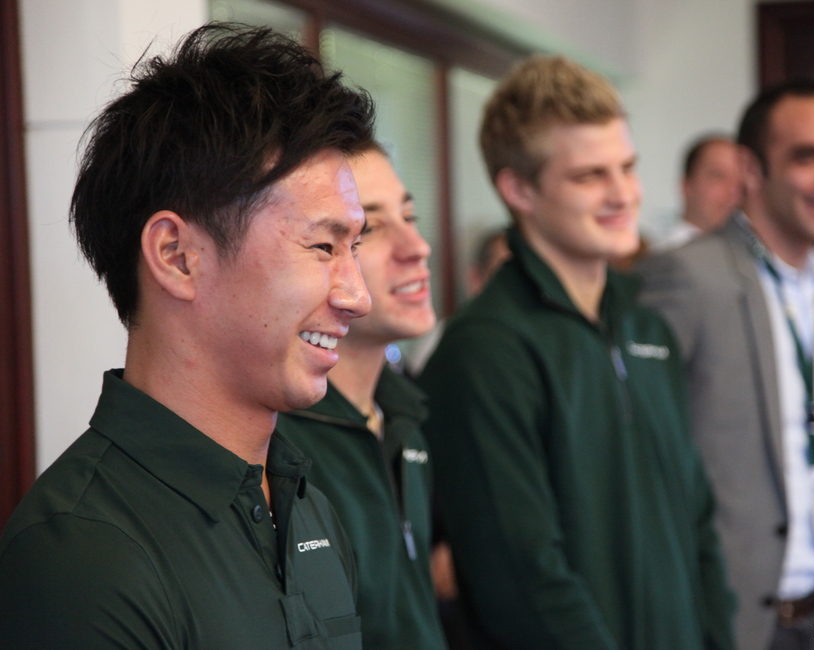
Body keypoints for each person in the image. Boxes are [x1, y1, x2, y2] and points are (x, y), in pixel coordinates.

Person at [0, 24, 375, 649]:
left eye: (355, 247)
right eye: (321, 246)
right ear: (176, 256)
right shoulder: (85, 552)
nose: (356, 296)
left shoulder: (305, 503)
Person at [419, 54, 734, 650]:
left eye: (627, 167)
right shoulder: (485, 352)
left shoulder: (648, 329)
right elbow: (523, 579)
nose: (623, 194)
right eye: (590, 175)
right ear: (519, 188)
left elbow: (698, 529)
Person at [638, 78, 814, 650]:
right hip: (732, 624)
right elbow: (642, 462)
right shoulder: (688, 276)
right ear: (752, 168)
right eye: (808, 157)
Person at [276, 143, 448, 650]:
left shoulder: (404, 413)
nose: (416, 246)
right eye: (368, 229)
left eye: (410, 216)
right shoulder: (278, 439)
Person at [657, 133, 742, 251]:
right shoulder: (666, 258)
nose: (733, 190)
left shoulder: (749, 255)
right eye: (718, 176)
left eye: (740, 180)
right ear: (686, 186)